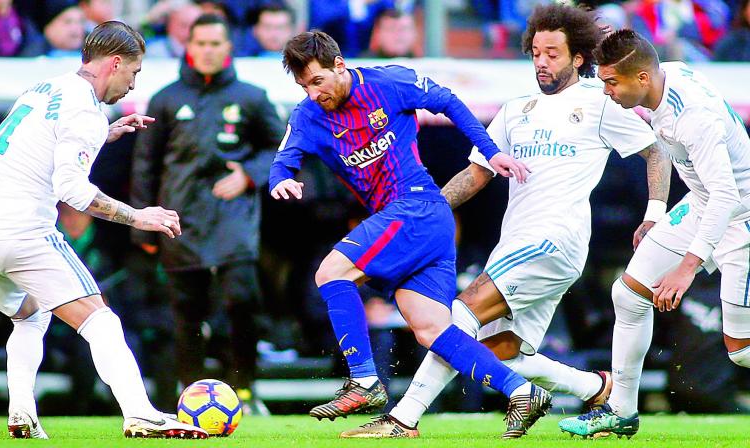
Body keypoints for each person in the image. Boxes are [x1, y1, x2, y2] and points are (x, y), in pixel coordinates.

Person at [340, 3, 668, 438]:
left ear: (577, 58)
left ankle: (403, 417)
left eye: (553, 53)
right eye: (535, 52)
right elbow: (477, 173)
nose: (542, 62)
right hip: (517, 241)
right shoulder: (517, 109)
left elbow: (656, 152)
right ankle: (596, 387)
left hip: (554, 238)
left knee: (461, 313)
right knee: (500, 351)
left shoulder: (600, 101)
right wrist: (427, 210)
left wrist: (654, 214)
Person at [270, 30, 553, 440]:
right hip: (412, 222)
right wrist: (282, 180)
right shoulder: (307, 116)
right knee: (430, 329)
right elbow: (284, 159)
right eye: (303, 86)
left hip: (416, 207)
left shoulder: (390, 82)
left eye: (317, 81)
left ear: (339, 65)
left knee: (331, 272)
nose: (313, 93)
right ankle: (522, 391)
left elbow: (449, 101)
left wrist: (491, 152)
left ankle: (364, 381)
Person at [0, 21, 208, 440]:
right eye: (135, 73)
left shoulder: (43, 89)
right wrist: (138, 216)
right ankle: (141, 412)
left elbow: (40, 147)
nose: (132, 84)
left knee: (31, 317)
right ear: (116, 62)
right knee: (101, 322)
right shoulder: (87, 108)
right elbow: (71, 190)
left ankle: (22, 413)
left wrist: (104, 135)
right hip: (22, 234)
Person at [558, 28, 750, 438]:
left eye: (611, 82)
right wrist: (656, 214)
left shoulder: (694, 116)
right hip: (702, 204)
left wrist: (687, 268)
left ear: (641, 79)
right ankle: (621, 410)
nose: (606, 91)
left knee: (742, 353)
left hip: (741, 214)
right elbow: (669, 151)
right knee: (628, 294)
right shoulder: (664, 76)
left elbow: (726, 194)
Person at [131, 13, 284, 414]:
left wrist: (249, 176)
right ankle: (191, 393)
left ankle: (246, 390)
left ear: (228, 47)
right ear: (188, 46)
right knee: (186, 311)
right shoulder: (166, 98)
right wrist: (142, 228)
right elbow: (145, 165)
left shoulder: (252, 96)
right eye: (200, 43)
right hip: (180, 216)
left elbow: (280, 150)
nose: (207, 50)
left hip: (233, 213)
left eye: (215, 43)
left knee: (242, 300)